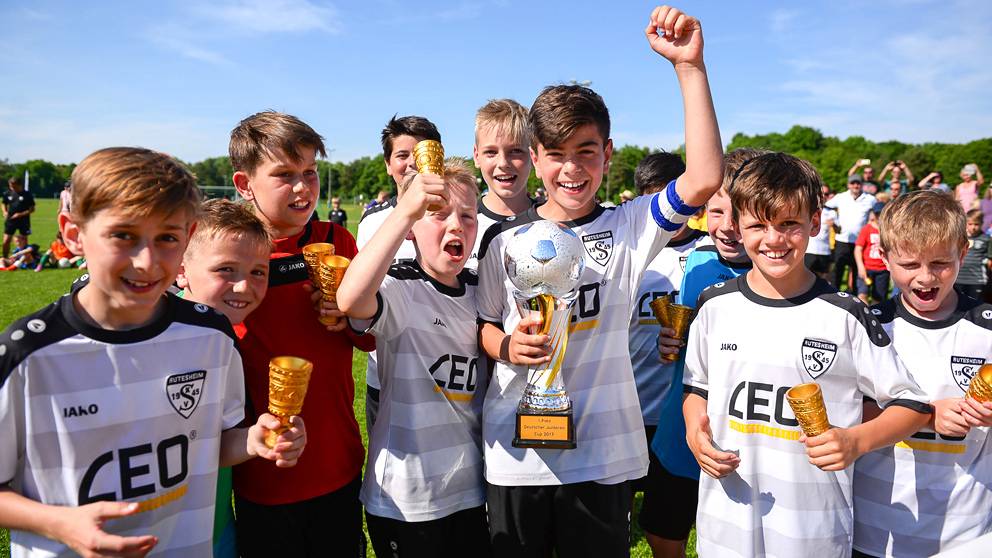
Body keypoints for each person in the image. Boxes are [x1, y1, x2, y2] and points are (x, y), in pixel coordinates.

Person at [476, 7, 724, 556]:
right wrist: (509, 346)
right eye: (556, 155)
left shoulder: (629, 226)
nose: (571, 169)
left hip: (604, 455)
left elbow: (705, 177)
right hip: (518, 458)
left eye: (585, 152)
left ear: (607, 155)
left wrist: (690, 68)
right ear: (535, 159)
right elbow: (485, 326)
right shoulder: (502, 239)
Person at [0, 147, 305, 558]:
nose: (146, 261)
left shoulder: (211, 336)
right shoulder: (27, 355)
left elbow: (211, 442)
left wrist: (252, 440)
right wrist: (56, 523)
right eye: (124, 235)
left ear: (187, 238)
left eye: (166, 238)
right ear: (72, 233)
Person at [683, 151, 932, 557]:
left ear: (814, 222)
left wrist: (855, 441)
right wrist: (696, 433)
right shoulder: (713, 306)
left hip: (812, 526)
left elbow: (914, 406)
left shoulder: (846, 314)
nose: (774, 239)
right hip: (726, 517)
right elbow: (697, 389)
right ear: (738, 226)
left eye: (788, 224)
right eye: (758, 225)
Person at [228, 111, 374, 557]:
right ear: (244, 183)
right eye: (284, 175)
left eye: (310, 172)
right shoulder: (228, 253)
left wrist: (346, 317)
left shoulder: (338, 241)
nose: (302, 187)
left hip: (337, 461)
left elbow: (369, 340)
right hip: (263, 469)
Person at [338, 159, 490, 558]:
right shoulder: (401, 287)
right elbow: (351, 299)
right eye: (437, 215)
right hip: (407, 497)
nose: (456, 225)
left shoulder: (482, 290)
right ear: (410, 231)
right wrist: (405, 210)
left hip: (472, 489)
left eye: (468, 216)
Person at [853, 190, 992, 558]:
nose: (926, 278)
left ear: (963, 252)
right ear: (883, 257)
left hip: (967, 528)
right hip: (876, 527)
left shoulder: (988, 329)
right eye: (910, 265)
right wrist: (928, 416)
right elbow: (848, 411)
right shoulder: (868, 327)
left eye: (941, 263)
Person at [647, 149, 760, 558]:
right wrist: (669, 343)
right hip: (680, 434)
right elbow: (683, 342)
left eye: (740, 214)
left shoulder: (780, 272)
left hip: (746, 442)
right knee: (663, 533)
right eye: (716, 213)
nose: (727, 228)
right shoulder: (697, 262)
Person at [175, 198, 273, 558]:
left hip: (214, 530)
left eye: (258, 272)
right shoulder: (143, 338)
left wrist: (254, 439)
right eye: (226, 270)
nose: (244, 287)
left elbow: (217, 443)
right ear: (181, 269)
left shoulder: (223, 344)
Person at [626, 151, 708, 558]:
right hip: (628, 404)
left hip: (678, 411)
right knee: (620, 503)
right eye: (655, 199)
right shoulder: (634, 250)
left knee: (670, 510)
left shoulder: (709, 252)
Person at [357, 115, 442, 438]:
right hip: (386, 376)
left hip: (451, 374)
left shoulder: (459, 216)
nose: (411, 163)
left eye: (420, 153)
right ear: (388, 164)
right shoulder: (371, 223)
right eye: (402, 155)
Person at [470, 99, 536, 269]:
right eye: (491, 152)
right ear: (477, 156)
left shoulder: (552, 222)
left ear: (533, 155)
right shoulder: (462, 223)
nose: (503, 163)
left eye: (515, 151)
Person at [826, 173, 876, 292]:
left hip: (860, 243)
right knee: (838, 270)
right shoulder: (841, 197)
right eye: (853, 183)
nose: (855, 185)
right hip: (842, 240)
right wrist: (834, 219)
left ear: (862, 185)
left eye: (858, 183)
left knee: (857, 270)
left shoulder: (870, 199)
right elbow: (826, 208)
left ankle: (853, 297)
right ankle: (834, 294)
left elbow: (877, 213)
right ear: (848, 185)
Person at [854, 201, 889, 304]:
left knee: (878, 299)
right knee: (862, 295)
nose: (879, 217)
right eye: (877, 214)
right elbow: (858, 249)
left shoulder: (888, 230)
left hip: (882, 270)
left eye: (881, 214)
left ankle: (875, 318)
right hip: (866, 268)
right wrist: (860, 267)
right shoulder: (867, 229)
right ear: (874, 214)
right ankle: (863, 318)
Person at [953, 209, 992, 301]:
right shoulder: (959, 238)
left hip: (977, 280)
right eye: (970, 224)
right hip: (958, 278)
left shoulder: (986, 239)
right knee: (958, 303)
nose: (973, 227)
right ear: (966, 224)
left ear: (982, 224)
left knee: (975, 304)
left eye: (976, 224)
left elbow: (989, 259)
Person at [2, 177, 35, 258]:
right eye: (10, 186)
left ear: (19, 185)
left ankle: (24, 260)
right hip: (11, 220)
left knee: (24, 241)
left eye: (13, 186)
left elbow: (32, 209)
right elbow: (3, 203)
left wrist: (20, 214)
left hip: (23, 221)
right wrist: (4, 212)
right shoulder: (8, 193)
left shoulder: (27, 194)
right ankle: (5, 258)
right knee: (6, 241)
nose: (11, 188)